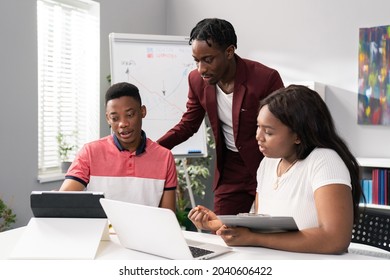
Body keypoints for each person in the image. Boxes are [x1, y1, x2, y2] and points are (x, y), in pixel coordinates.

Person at [188, 85, 363, 254]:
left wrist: (254, 238)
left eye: (269, 132)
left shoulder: (324, 160)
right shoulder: (268, 163)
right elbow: (262, 223)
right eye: (258, 127)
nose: (258, 137)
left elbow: (335, 239)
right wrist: (219, 223)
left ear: (298, 136)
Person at [157, 18, 284, 215]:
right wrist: (153, 148)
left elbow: (284, 127)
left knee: (269, 231)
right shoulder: (196, 80)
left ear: (229, 52)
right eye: (197, 61)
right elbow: (188, 124)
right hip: (230, 168)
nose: (201, 69)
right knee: (222, 231)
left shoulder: (265, 79)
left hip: (268, 162)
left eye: (208, 60)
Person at [59, 82, 177, 212]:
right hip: (102, 231)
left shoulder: (164, 157)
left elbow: (168, 215)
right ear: (108, 119)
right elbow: (64, 200)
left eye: (130, 115)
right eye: (115, 118)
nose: (123, 124)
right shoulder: (90, 152)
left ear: (142, 111)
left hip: (144, 232)